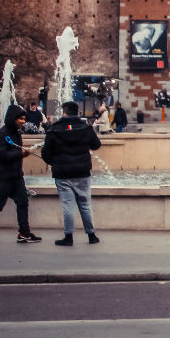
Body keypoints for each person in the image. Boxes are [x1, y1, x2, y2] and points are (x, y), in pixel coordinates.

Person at [41, 101, 103, 246]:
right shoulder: (85, 128)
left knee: (68, 205)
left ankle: (68, 237)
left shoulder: (54, 129)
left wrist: (54, 163)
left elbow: (46, 153)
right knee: (85, 204)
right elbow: (96, 145)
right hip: (82, 172)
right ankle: (91, 235)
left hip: (62, 173)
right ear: (77, 112)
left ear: (64, 112)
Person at [0, 104, 42, 245]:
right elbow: (1, 155)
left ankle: (24, 233)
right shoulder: (1, 134)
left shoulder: (16, 133)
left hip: (16, 177)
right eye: (20, 119)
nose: (23, 121)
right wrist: (20, 153)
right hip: (4, 177)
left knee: (23, 202)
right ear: (12, 118)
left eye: (24, 119)